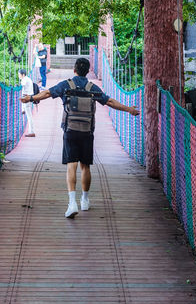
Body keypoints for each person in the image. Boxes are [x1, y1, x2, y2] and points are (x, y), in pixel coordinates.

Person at [22, 56, 139, 218]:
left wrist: (31, 98)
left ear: (74, 70)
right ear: (88, 70)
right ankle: (85, 200)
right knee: (85, 166)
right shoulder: (93, 88)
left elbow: (48, 93)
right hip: (87, 131)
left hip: (70, 130)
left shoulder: (66, 85)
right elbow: (110, 102)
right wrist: (129, 110)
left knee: (72, 165)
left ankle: (72, 203)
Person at [19, 67, 36, 137]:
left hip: (27, 98)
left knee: (29, 116)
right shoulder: (27, 79)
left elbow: (21, 86)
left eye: (19, 74)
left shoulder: (24, 79)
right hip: (28, 98)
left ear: (23, 75)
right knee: (29, 115)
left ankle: (32, 132)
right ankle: (23, 109)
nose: (18, 76)